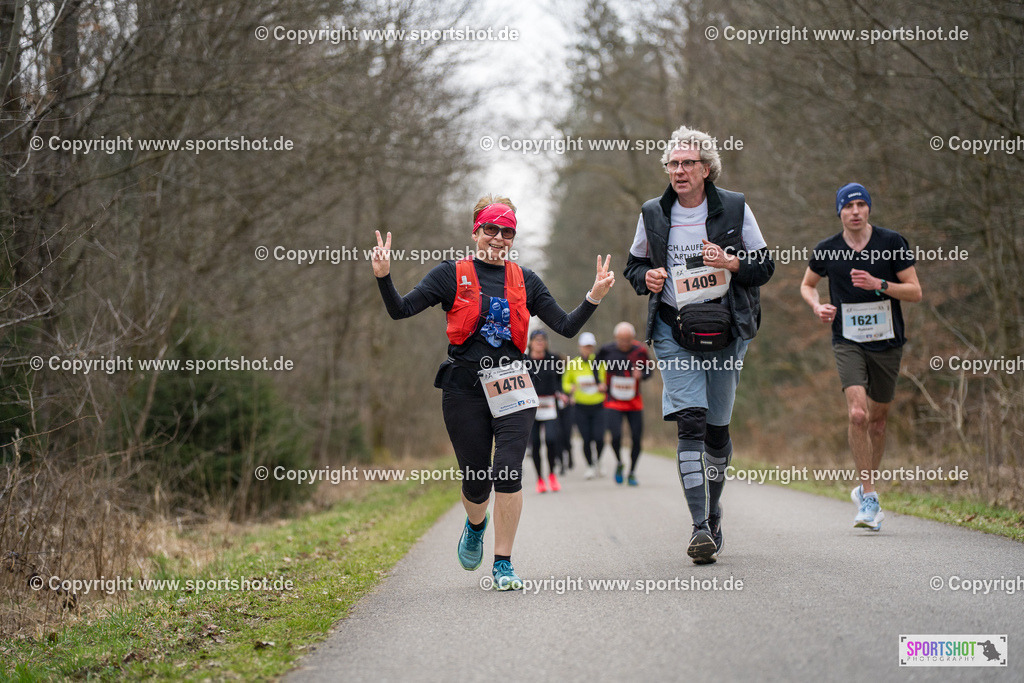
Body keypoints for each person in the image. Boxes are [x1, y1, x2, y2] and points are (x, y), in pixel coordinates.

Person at [372, 194, 615, 589]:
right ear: (476, 232)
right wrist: (384, 276)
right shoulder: (449, 274)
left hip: (513, 386)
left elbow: (567, 327)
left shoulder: (526, 280)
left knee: (507, 470)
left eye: (507, 232)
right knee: (476, 479)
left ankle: (503, 563)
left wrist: (594, 298)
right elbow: (400, 310)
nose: (499, 238)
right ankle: (475, 524)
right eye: (491, 229)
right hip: (464, 389)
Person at [624, 125, 775, 564]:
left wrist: (730, 262)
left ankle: (712, 510)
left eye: (688, 163)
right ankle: (698, 528)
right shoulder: (652, 212)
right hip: (674, 331)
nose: (679, 170)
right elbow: (635, 265)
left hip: (726, 333)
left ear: (706, 168)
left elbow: (764, 266)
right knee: (689, 421)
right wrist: (646, 278)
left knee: (716, 430)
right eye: (672, 163)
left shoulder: (735, 208)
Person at [800, 183, 921, 531]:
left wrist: (878, 284)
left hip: (888, 342)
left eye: (860, 204)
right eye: (848, 206)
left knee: (878, 422)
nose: (855, 211)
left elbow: (915, 291)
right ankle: (869, 498)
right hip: (847, 340)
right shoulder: (828, 249)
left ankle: (866, 485)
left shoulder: (891, 243)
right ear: (839, 212)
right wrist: (817, 305)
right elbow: (807, 284)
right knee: (857, 414)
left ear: (868, 209)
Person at [596, 322, 651, 486]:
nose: (624, 344)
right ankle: (619, 462)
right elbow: (594, 365)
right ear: (616, 338)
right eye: (621, 340)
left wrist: (641, 374)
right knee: (616, 436)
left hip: (634, 402)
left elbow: (650, 371)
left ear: (633, 338)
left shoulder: (640, 350)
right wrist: (598, 382)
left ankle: (632, 471)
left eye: (628, 340)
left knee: (636, 437)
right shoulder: (607, 350)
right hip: (613, 401)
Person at [562, 332, 606, 479]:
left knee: (599, 438)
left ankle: (598, 461)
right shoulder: (573, 364)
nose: (588, 349)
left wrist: (604, 385)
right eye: (586, 346)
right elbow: (565, 382)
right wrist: (570, 389)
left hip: (599, 405)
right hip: (580, 407)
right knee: (586, 439)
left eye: (590, 346)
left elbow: (607, 379)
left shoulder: (600, 362)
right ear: (580, 347)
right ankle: (590, 466)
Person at [525, 329, 565, 493]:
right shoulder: (525, 361)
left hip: (549, 405)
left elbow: (559, 380)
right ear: (531, 342)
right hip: (531, 406)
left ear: (546, 342)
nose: (540, 342)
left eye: (542, 339)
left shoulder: (554, 359)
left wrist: (560, 393)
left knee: (551, 440)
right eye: (536, 339)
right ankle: (540, 478)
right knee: (535, 444)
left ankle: (551, 475)